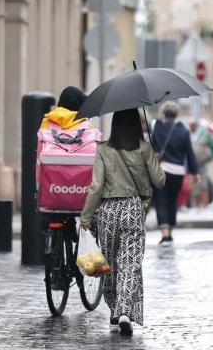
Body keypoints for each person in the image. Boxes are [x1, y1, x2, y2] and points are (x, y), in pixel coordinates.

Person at [79, 108, 165, 336]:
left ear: (114, 124)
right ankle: (125, 310)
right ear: (136, 123)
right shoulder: (144, 148)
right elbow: (160, 180)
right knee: (130, 262)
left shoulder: (103, 149)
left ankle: (115, 311)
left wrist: (86, 216)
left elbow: (96, 187)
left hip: (108, 211)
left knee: (110, 264)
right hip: (133, 209)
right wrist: (154, 159)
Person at [151, 102, 200, 247]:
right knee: (172, 201)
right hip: (178, 172)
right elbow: (189, 153)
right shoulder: (183, 130)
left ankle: (165, 235)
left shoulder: (156, 126)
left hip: (161, 170)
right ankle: (170, 232)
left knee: (161, 201)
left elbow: (151, 148)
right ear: (176, 114)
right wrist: (195, 172)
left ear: (163, 113)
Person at [189, 120, 213, 208]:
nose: (191, 128)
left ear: (196, 126)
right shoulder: (190, 134)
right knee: (195, 185)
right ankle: (197, 205)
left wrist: (210, 157)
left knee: (203, 184)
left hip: (202, 163)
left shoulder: (205, 134)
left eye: (192, 126)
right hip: (192, 163)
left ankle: (205, 205)